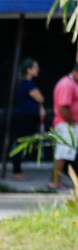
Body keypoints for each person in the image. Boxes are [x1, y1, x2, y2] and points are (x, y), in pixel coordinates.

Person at [8, 58, 45, 179]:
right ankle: (16, 171)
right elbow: (39, 98)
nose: (37, 70)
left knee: (23, 142)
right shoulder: (28, 84)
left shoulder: (25, 83)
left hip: (27, 116)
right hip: (24, 117)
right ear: (28, 70)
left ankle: (17, 170)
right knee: (21, 142)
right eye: (35, 67)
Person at [53, 64, 78, 192]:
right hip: (66, 124)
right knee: (62, 152)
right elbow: (63, 107)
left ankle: (58, 181)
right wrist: (72, 123)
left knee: (66, 153)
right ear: (74, 72)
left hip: (70, 123)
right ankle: (55, 181)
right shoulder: (66, 84)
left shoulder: (73, 83)